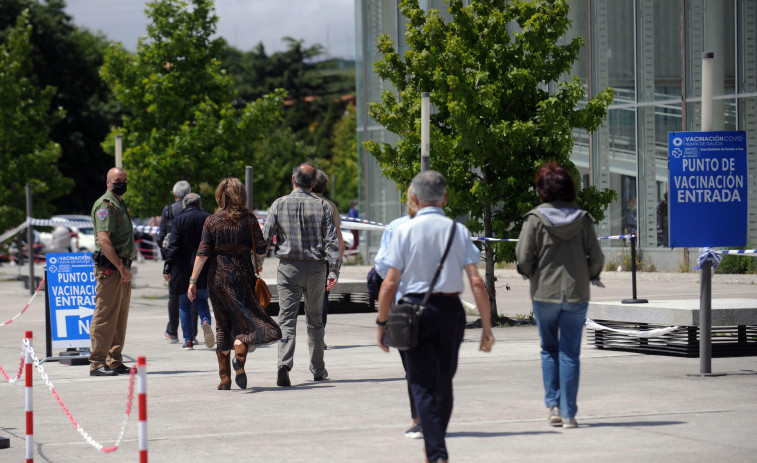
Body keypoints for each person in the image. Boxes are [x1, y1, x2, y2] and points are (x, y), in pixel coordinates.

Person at [376, 171, 495, 463]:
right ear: (446, 198)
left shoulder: (403, 231)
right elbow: (477, 282)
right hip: (451, 312)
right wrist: (487, 327)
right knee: (444, 381)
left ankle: (436, 452)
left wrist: (381, 323)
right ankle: (435, 447)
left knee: (421, 383)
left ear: (414, 199)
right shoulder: (459, 231)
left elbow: (389, 283)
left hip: (413, 311)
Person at [515, 161, 604, 429]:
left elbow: (523, 256)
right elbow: (597, 257)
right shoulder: (583, 219)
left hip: (544, 293)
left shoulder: (534, 219)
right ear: (570, 188)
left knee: (548, 349)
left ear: (541, 190)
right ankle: (569, 414)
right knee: (570, 353)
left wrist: (530, 272)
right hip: (577, 293)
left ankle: (552, 406)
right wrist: (588, 273)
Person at [188, 178, 281, 390]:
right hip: (242, 275)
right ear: (242, 195)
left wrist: (193, 281)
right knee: (247, 321)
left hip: (217, 277)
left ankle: (224, 378)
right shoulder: (248, 220)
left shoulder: (211, 221)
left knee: (222, 323)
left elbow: (202, 253)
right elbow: (261, 248)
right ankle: (239, 352)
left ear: (220, 195)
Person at [263, 163, 341, 387]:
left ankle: (283, 365)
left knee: (286, 319)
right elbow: (331, 241)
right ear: (314, 183)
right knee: (315, 320)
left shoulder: (279, 204)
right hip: (317, 269)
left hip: (288, 268)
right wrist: (334, 270)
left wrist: (257, 263)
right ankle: (318, 369)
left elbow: (265, 238)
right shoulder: (322, 206)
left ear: (292, 179)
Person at [373, 186, 423, 439]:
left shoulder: (396, 228)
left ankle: (419, 420)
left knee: (413, 368)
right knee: (438, 368)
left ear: (409, 200)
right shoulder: (451, 228)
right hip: (445, 306)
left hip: (407, 307)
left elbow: (384, 272)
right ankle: (434, 417)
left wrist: (382, 322)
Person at [89, 167, 136, 377]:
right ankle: (97, 363)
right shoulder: (105, 205)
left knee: (119, 317)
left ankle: (114, 361)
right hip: (111, 269)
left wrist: (124, 267)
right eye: (118, 180)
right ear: (108, 182)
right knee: (105, 315)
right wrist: (119, 266)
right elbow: (103, 240)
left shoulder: (119, 203)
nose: (122, 183)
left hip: (122, 267)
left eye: (125, 179)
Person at [163, 193, 214, 350]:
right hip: (204, 267)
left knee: (184, 305)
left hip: (183, 269)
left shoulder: (179, 220)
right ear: (200, 203)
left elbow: (173, 245)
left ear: (185, 204)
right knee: (202, 300)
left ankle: (188, 340)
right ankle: (205, 322)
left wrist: (168, 265)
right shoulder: (208, 218)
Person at [159, 180, 193, 344]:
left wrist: (166, 258)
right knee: (193, 293)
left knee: (174, 296)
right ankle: (191, 333)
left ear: (175, 195)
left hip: (174, 258)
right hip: (194, 259)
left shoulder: (169, 210)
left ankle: (172, 332)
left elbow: (161, 236)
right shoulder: (196, 210)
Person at [310, 170, 344, 333]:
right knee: (322, 298)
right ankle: (317, 335)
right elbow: (338, 237)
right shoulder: (330, 206)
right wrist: (337, 264)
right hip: (323, 261)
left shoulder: (302, 202)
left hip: (300, 259)